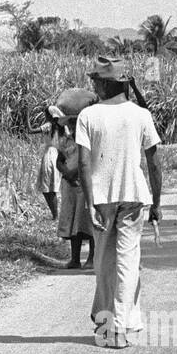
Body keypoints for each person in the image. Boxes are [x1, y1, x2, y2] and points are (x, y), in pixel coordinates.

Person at [76, 57, 163, 349]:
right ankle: (121, 322)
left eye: (95, 81)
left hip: (102, 199)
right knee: (127, 262)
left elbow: (84, 164)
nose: (93, 86)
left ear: (103, 84)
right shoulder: (141, 115)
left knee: (103, 262)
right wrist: (158, 202)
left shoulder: (88, 116)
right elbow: (154, 163)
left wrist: (88, 204)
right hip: (134, 196)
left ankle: (114, 326)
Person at [54, 88, 97, 269]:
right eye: (70, 124)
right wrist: (65, 172)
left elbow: (86, 163)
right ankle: (75, 258)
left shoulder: (89, 139)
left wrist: (73, 173)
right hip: (70, 187)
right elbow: (59, 161)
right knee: (73, 223)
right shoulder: (67, 140)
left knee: (87, 222)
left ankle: (92, 258)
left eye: (74, 124)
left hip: (84, 185)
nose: (72, 127)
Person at [33, 105, 63, 220]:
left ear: (49, 115)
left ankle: (55, 215)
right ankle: (55, 215)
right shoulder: (59, 126)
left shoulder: (48, 125)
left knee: (47, 187)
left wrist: (27, 117)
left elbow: (31, 130)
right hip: (56, 153)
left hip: (49, 155)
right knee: (52, 186)